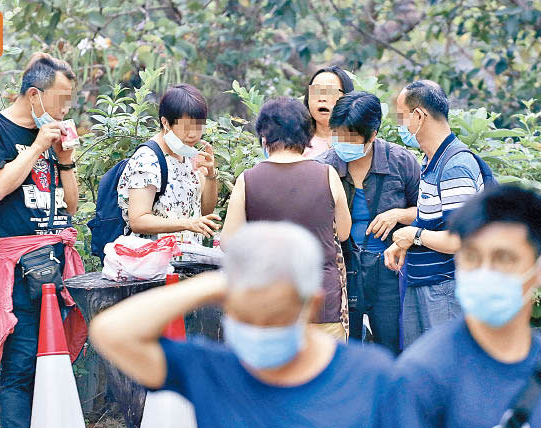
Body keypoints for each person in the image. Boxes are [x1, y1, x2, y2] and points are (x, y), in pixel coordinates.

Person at [90, 221, 393, 428]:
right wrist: (211, 285)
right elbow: (110, 333)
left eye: (273, 317)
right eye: (245, 317)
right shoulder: (212, 371)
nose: (259, 329)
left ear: (310, 305)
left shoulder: (369, 375)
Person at [0, 53, 87, 427]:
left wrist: (64, 159)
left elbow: (70, 206)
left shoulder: (52, 133)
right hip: (22, 271)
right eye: (60, 101)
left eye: (69, 102)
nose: (65, 110)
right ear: (34, 95)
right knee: (19, 371)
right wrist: (36, 147)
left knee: (51, 366)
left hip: (57, 266)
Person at [386, 185, 541, 428]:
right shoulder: (423, 374)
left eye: (504, 259)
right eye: (471, 257)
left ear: (537, 268)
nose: (485, 272)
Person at [221, 97, 351, 340]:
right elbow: (343, 233)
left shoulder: (247, 180)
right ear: (306, 136)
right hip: (323, 301)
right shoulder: (327, 175)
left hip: (270, 303)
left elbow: (229, 242)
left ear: (264, 137)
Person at [315, 92, 420, 354]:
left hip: (389, 271)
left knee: (392, 347)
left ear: (372, 135)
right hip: (341, 270)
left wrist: (398, 215)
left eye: (350, 138)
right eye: (337, 135)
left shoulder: (401, 161)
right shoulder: (322, 167)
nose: (342, 144)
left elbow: (428, 210)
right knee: (342, 351)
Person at [384, 80, 484, 348]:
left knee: (446, 371)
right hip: (425, 283)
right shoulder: (431, 161)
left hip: (445, 288)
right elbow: (434, 217)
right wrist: (404, 240)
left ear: (418, 116)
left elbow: (460, 239)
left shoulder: (454, 166)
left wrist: (414, 235)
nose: (399, 125)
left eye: (401, 117)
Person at [117, 84, 220, 245]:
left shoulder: (187, 154)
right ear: (165, 123)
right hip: (153, 263)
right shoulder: (147, 159)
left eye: (199, 126)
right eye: (186, 127)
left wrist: (211, 175)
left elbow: (204, 211)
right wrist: (187, 224)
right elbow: (138, 220)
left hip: (185, 261)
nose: (193, 134)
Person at [303, 65, 354, 159]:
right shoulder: (295, 142)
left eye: (330, 92)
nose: (322, 98)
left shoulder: (360, 142)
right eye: (316, 91)